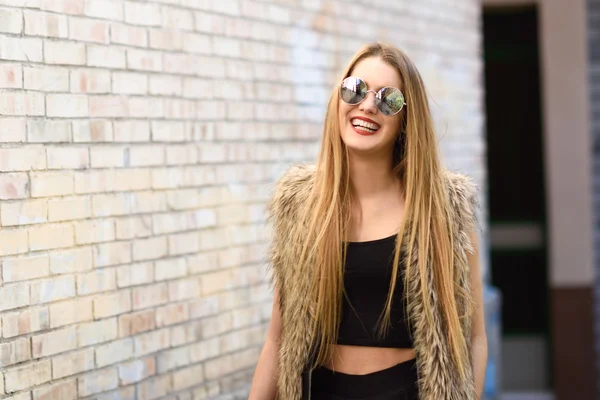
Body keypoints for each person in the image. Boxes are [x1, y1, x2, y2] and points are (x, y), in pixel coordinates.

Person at [249, 42, 488, 400]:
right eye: (355, 89)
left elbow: (474, 337)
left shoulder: (444, 207)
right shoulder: (299, 204)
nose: (367, 105)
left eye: (388, 98)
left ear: (407, 118)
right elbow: (278, 338)